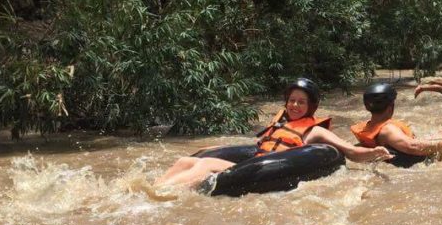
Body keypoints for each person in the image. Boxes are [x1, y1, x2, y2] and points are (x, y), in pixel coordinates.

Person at [156, 78, 391, 188]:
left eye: (301, 102)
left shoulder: (315, 130)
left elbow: (350, 151)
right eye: (292, 101)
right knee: (184, 159)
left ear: (311, 106)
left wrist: (375, 153)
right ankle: (154, 185)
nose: (295, 106)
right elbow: (258, 146)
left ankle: (163, 192)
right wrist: (211, 148)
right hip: (254, 162)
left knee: (204, 165)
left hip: (261, 170)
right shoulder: (279, 123)